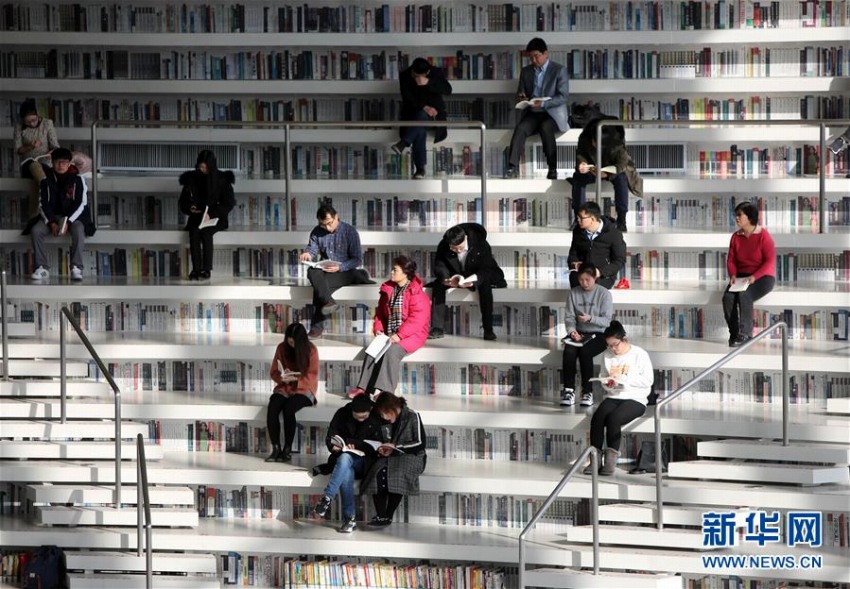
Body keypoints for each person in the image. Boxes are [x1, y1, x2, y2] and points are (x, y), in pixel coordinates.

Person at [346, 256, 430, 399]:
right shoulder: (388, 289)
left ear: (405, 273)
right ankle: (363, 388)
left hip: (412, 335)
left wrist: (400, 335)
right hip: (390, 332)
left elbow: (417, 320)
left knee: (392, 352)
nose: (391, 272)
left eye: (395, 270)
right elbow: (380, 313)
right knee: (372, 350)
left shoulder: (417, 293)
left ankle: (385, 392)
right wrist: (378, 328)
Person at [583, 320, 653, 476]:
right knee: (598, 418)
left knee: (613, 418)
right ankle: (594, 460)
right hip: (614, 395)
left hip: (635, 398)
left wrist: (624, 379)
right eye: (610, 345)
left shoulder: (639, 354)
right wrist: (608, 383)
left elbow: (648, 380)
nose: (613, 349)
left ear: (624, 339)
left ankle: (609, 462)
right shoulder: (607, 355)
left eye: (616, 344)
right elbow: (603, 377)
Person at [312, 394, 382, 533]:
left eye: (364, 416)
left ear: (370, 410)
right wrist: (333, 447)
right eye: (357, 416)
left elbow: (378, 445)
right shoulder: (342, 414)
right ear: (351, 411)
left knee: (345, 459)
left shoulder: (376, 417)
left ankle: (327, 498)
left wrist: (356, 445)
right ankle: (349, 520)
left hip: (365, 462)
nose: (361, 419)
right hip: (344, 460)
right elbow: (331, 436)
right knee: (346, 467)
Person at [428, 223, 507, 341]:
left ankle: (488, 330)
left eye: (460, 248)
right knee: (438, 285)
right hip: (455, 275)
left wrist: (473, 281)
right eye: (453, 248)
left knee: (485, 287)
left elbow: (486, 268)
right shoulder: (443, 245)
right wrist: (446, 279)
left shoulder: (480, 244)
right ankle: (437, 328)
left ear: (465, 238)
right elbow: (440, 265)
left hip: (477, 275)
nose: (457, 251)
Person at [300, 204, 369, 338]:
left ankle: (317, 327)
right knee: (312, 271)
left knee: (319, 286)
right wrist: (307, 254)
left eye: (329, 223)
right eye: (323, 224)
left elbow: (357, 259)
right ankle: (329, 301)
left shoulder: (350, 232)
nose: (327, 227)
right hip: (325, 269)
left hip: (345, 270)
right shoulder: (317, 231)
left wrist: (340, 267)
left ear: (336, 217)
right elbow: (312, 249)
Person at [26, 147, 94, 282]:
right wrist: (51, 222)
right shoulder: (46, 181)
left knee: (79, 229)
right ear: (52, 162)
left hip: (73, 217)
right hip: (53, 215)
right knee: (36, 230)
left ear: (69, 163)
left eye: (64, 162)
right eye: (58, 162)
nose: (61, 165)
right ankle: (41, 267)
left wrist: (67, 223)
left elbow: (81, 204)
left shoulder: (78, 180)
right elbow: (43, 204)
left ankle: (76, 267)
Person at [505, 38, 569, 180]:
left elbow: (563, 97)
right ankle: (512, 167)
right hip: (533, 113)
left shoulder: (559, 70)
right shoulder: (526, 71)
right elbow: (520, 92)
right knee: (521, 128)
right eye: (531, 57)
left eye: (536, 56)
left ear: (546, 54)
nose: (533, 60)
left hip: (552, 114)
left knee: (545, 127)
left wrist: (543, 104)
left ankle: (552, 168)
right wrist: (522, 97)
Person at [359, 391, 426, 527]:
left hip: (412, 455)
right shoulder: (384, 420)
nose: (383, 416)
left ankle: (388, 515)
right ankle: (381, 515)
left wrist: (397, 446)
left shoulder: (413, 416)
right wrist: (383, 448)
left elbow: (420, 443)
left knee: (399, 472)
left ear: (393, 408)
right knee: (377, 471)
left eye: (385, 412)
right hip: (392, 455)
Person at [571, 115, 642, 232]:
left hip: (611, 168)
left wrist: (607, 173)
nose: (598, 146)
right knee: (578, 178)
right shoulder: (585, 137)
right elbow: (580, 154)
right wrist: (582, 164)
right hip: (592, 169)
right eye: (595, 143)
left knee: (621, 179)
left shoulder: (617, 141)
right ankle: (579, 217)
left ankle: (621, 219)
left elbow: (622, 164)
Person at [722, 201, 776, 347]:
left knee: (745, 295)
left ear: (750, 217)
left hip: (763, 277)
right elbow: (731, 260)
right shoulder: (736, 237)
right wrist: (732, 274)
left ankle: (746, 334)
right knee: (727, 297)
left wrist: (754, 277)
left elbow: (769, 261)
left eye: (739, 215)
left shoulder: (763, 236)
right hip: (741, 277)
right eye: (736, 215)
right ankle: (734, 334)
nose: (736, 218)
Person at [560, 263, 613, 407]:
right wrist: (572, 332)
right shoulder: (573, 293)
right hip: (580, 333)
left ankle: (587, 392)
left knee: (585, 352)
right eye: (581, 280)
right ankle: (568, 390)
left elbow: (607, 321)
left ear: (595, 277)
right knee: (569, 351)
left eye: (587, 280)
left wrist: (590, 318)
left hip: (599, 334)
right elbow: (569, 317)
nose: (584, 283)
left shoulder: (604, 293)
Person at [392, 57, 453, 180]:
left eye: (420, 76)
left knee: (420, 122)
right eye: (415, 75)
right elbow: (407, 98)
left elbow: (448, 90)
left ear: (427, 72)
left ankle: (405, 145)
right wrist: (425, 108)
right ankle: (420, 169)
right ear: (412, 71)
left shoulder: (435, 72)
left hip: (435, 116)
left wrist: (428, 82)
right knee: (420, 125)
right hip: (413, 115)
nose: (417, 78)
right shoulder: (404, 75)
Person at [265, 322, 319, 463]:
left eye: (294, 342)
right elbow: (274, 372)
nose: (292, 344)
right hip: (285, 387)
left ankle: (287, 449)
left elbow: (312, 376)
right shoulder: (282, 348)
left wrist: (295, 379)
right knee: (273, 406)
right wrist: (282, 377)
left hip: (304, 389)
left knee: (289, 408)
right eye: (289, 341)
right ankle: (276, 448)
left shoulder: (311, 350)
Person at [178, 149, 235, 280]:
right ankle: (196, 269)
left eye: (205, 167)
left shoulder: (222, 179)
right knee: (194, 232)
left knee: (206, 232)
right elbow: (183, 201)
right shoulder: (192, 178)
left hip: (217, 217)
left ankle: (206, 269)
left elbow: (229, 203)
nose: (202, 169)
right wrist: (190, 208)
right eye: (200, 167)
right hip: (197, 216)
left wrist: (213, 213)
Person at [13, 100, 60, 217]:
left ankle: (34, 216)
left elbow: (56, 147)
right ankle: (46, 184)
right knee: (34, 165)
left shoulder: (47, 124)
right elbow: (18, 150)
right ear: (23, 120)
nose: (32, 124)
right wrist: (31, 146)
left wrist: (51, 153)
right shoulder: (19, 127)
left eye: (34, 120)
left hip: (45, 163)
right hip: (27, 164)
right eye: (28, 122)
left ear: (38, 115)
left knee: (37, 180)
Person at [567, 201, 626, 290]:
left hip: (603, 275)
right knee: (576, 282)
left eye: (581, 218)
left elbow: (619, 260)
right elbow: (573, 254)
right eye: (577, 217)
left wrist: (600, 272)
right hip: (582, 272)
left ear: (593, 219)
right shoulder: (577, 231)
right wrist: (575, 264)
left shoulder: (614, 233)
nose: (578, 220)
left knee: (594, 287)